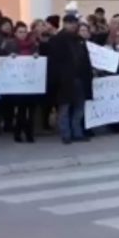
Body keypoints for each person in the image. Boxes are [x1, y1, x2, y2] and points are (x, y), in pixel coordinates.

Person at [45, 14, 93, 144]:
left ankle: (77, 132)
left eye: (74, 23)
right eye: (70, 23)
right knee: (64, 108)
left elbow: (85, 59)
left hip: (80, 78)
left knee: (79, 107)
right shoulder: (56, 40)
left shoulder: (79, 40)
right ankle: (66, 134)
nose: (73, 25)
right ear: (64, 24)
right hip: (64, 80)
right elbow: (53, 63)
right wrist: (56, 80)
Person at [0, 23, 40, 143]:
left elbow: (39, 59)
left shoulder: (33, 45)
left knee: (31, 110)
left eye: (24, 32)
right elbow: (1, 58)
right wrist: (8, 56)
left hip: (30, 82)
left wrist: (36, 56)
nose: (23, 34)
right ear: (15, 33)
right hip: (17, 83)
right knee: (21, 110)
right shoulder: (9, 44)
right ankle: (18, 133)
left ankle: (29, 133)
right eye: (20, 32)